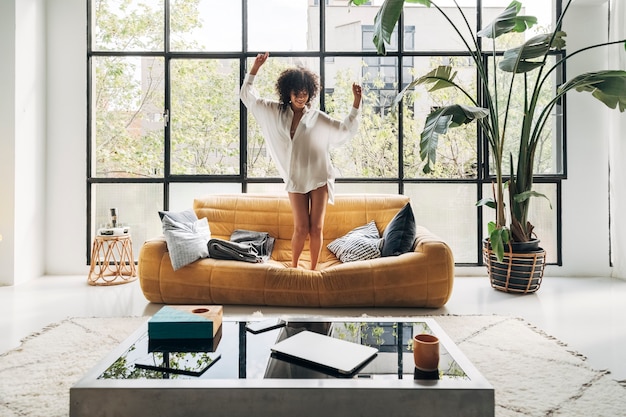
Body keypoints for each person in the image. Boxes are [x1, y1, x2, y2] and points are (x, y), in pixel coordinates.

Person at [240, 52, 362, 270]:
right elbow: (248, 96)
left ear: (310, 93)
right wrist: (256, 67)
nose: (301, 97)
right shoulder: (275, 111)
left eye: (305, 93)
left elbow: (344, 130)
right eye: (297, 93)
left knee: (316, 228)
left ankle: (314, 269)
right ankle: (295, 268)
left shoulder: (318, 117)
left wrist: (356, 102)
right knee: (300, 228)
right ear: (288, 92)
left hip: (319, 177)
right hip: (295, 179)